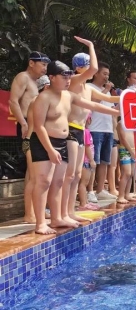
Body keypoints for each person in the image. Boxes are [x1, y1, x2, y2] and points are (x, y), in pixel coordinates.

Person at [30, 60, 124, 235]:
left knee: (58, 182)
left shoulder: (69, 96)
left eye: (69, 77)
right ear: (52, 77)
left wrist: (118, 112)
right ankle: (40, 223)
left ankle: (57, 218)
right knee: (43, 182)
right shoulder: (43, 97)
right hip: (44, 142)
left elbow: (93, 105)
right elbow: (39, 126)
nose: (68, 80)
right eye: (64, 77)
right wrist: (50, 149)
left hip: (62, 142)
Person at [63, 40, 120, 224]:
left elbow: (107, 100)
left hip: (81, 131)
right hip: (70, 129)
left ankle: (70, 211)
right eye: (87, 66)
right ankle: (64, 212)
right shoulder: (74, 81)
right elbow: (95, 68)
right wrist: (91, 46)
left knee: (77, 175)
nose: (91, 70)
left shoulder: (87, 88)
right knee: (70, 174)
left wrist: (129, 98)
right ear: (79, 68)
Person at [10, 52, 51, 223]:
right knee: (32, 172)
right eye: (43, 64)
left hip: (37, 126)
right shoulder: (23, 77)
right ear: (31, 63)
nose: (45, 68)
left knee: (37, 172)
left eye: (47, 65)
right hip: (28, 125)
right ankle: (30, 213)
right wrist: (23, 123)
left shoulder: (38, 83)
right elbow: (13, 101)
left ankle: (37, 209)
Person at [87, 61, 119, 201]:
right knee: (93, 161)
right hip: (95, 129)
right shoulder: (89, 87)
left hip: (108, 130)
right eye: (104, 74)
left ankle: (100, 190)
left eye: (108, 74)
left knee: (105, 161)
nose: (107, 77)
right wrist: (106, 90)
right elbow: (93, 104)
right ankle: (90, 190)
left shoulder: (108, 93)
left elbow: (112, 111)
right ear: (96, 73)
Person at [77, 114, 99, 211]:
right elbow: (87, 147)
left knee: (84, 183)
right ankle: (83, 203)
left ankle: (85, 202)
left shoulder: (84, 131)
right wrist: (91, 160)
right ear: (88, 120)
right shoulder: (85, 132)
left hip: (86, 160)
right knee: (83, 183)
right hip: (86, 161)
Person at [115, 117, 136, 204]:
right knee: (126, 173)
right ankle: (120, 196)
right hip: (124, 150)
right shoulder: (121, 123)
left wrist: (134, 150)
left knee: (131, 174)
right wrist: (131, 151)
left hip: (133, 150)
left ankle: (127, 194)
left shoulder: (131, 123)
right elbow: (123, 139)